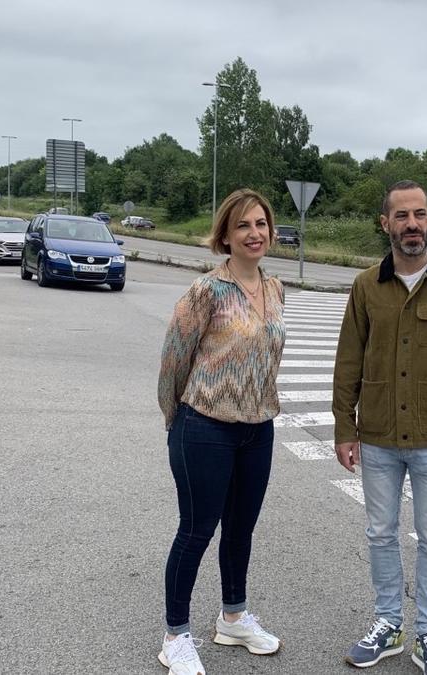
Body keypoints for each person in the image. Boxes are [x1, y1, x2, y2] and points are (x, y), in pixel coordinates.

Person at [332, 180, 427, 674]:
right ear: (386, 224)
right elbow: (347, 363)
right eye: (401, 216)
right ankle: (388, 624)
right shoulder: (365, 287)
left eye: (419, 215)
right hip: (377, 435)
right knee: (380, 533)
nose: (412, 225)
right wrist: (344, 426)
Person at [156, 188, 286, 675]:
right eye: (243, 226)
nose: (254, 234)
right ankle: (176, 635)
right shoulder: (205, 291)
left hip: (258, 430)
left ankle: (233, 616)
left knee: (241, 530)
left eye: (261, 224)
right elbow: (174, 361)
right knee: (195, 531)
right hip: (204, 427)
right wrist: (177, 422)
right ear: (225, 236)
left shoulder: (275, 290)